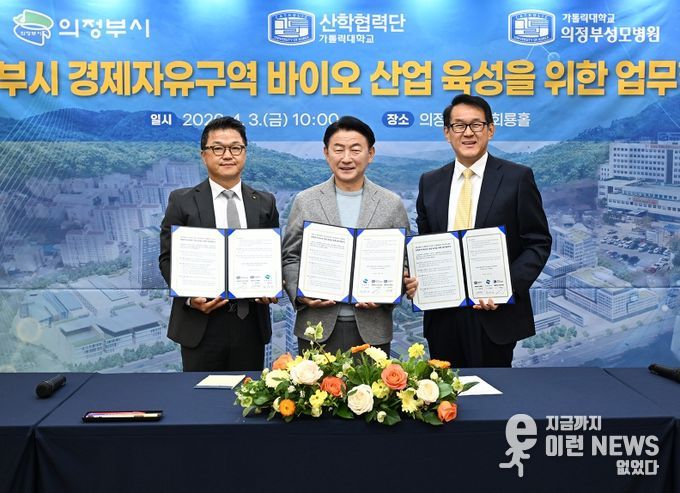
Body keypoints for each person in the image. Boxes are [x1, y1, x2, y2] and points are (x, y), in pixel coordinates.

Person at [405, 94, 551, 367]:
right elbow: (424, 245)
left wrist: (506, 288)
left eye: (476, 124)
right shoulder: (430, 182)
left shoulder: (517, 178)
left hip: (495, 314)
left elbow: (538, 242)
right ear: (447, 133)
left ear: (490, 130)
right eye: (459, 125)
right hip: (442, 315)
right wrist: (414, 278)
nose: (468, 133)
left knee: (492, 391)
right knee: (443, 390)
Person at [159, 116, 279, 371]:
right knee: (200, 394)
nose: (227, 155)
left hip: (250, 324)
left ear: (245, 153)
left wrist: (272, 285)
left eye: (235, 148)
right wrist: (190, 297)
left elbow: (273, 258)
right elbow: (167, 259)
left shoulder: (265, 202)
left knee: (248, 393)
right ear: (204, 155)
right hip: (201, 323)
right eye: (217, 148)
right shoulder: (182, 201)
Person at [282, 116, 409, 355]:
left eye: (355, 150)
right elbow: (290, 256)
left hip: (373, 328)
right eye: (338, 149)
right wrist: (302, 293)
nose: (346, 158)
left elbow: (404, 261)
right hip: (316, 327)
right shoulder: (306, 201)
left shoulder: (391, 203)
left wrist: (388, 292)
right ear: (326, 153)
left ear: (370, 154)